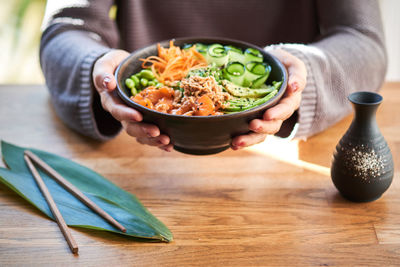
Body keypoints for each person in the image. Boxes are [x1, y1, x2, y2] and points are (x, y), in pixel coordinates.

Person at [40, 0, 386, 152]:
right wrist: (101, 71)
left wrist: (304, 70)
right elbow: (67, 27)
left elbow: (363, 39)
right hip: (137, 153)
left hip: (290, 157)